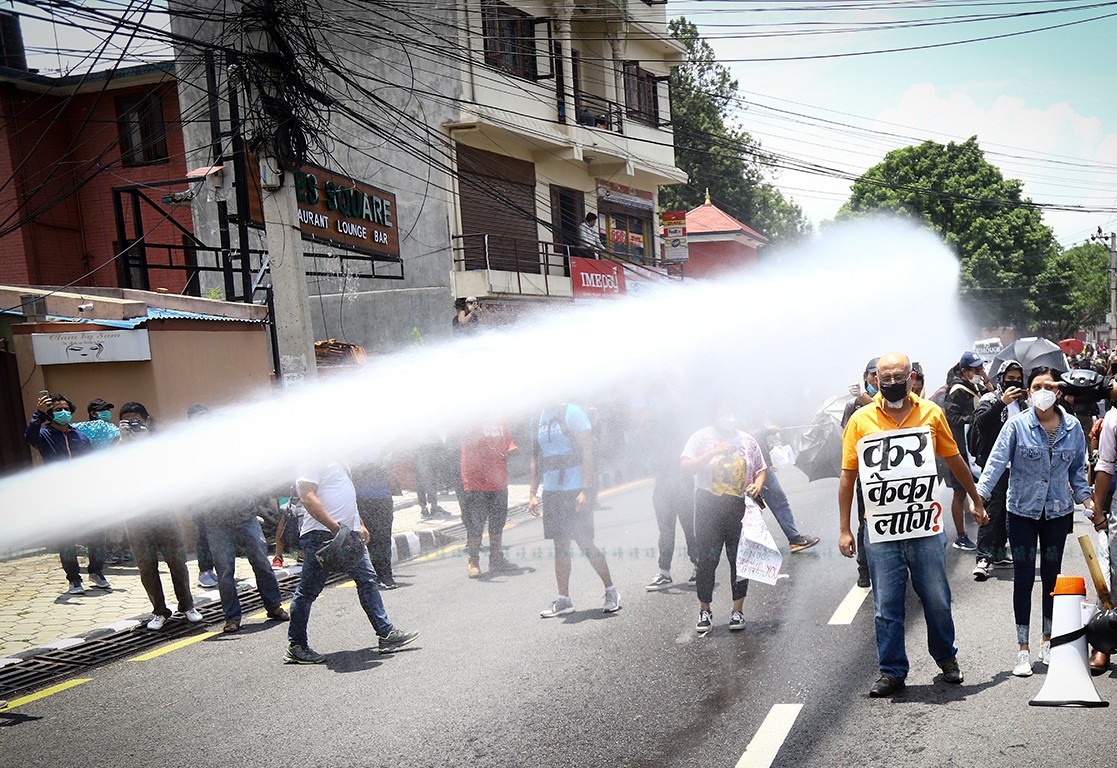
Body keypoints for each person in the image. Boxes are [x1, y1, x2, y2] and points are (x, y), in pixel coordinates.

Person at [839, 352, 987, 698]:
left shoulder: (931, 413)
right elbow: (848, 477)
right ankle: (891, 671)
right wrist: (845, 528)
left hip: (924, 527)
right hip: (880, 531)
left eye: (898, 377)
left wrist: (975, 499)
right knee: (886, 605)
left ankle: (946, 658)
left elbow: (954, 459)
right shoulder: (860, 420)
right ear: (875, 380)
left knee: (936, 598)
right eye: (884, 377)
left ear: (911, 378)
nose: (891, 383)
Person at [977, 367, 1092, 677]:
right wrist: (979, 499)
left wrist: (1089, 502)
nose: (1043, 390)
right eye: (1036, 386)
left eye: (1048, 385)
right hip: (1022, 513)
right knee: (1025, 578)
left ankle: (1047, 641)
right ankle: (1022, 649)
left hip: (1057, 513)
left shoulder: (1072, 428)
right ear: (1028, 392)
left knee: (1053, 578)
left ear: (1058, 391)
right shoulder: (1016, 426)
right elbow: (996, 464)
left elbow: (1078, 472)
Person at [286, 458, 419, 663]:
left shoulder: (339, 460)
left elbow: (347, 498)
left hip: (347, 535)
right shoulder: (313, 457)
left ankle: (386, 634)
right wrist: (335, 528)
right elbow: (307, 496)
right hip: (322, 536)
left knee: (367, 580)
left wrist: (360, 524)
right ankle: (296, 645)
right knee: (307, 591)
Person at [187, 404, 290, 633]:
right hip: (216, 522)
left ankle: (273, 606)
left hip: (245, 516)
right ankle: (232, 618)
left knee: (262, 563)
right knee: (225, 572)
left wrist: (253, 501)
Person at [681, 397, 766, 634]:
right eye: (724, 412)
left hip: (738, 507)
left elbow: (760, 469)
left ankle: (737, 610)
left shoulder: (747, 440)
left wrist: (757, 485)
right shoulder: (700, 438)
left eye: (732, 412)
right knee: (707, 560)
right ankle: (704, 609)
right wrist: (713, 452)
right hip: (708, 505)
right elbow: (686, 466)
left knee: (739, 560)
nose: (729, 417)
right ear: (713, 414)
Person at [529, 402, 620, 617]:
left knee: (585, 542)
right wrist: (533, 493)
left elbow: (588, 452)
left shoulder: (572, 412)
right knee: (560, 545)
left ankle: (611, 590)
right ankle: (564, 600)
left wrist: (586, 490)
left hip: (574, 488)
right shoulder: (538, 418)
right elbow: (535, 457)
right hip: (552, 491)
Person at [119, 402, 202, 630]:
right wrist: (123, 442)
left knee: (177, 561)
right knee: (146, 566)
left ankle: (187, 606)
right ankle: (159, 611)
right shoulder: (117, 448)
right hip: (135, 518)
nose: (133, 425)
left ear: (147, 420)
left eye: (137, 420)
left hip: (164, 514)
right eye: (128, 421)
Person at [25, 392, 111, 594]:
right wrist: (38, 412)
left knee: (98, 533)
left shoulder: (80, 436)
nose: (63, 412)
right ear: (49, 414)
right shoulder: (44, 436)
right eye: (57, 410)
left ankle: (96, 571)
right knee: (67, 539)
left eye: (65, 409)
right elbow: (29, 436)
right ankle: (74, 580)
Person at [969, 360, 1025, 581]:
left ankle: (1000, 551)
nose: (1014, 382)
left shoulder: (1023, 404)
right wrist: (1002, 402)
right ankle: (983, 556)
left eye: (1018, 379)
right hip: (994, 464)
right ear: (1001, 379)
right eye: (1010, 378)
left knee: (1007, 510)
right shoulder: (990, 399)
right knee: (992, 507)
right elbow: (981, 423)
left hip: (1017, 464)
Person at [644, 388, 698, 591]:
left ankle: (698, 566)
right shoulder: (652, 424)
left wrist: (666, 385)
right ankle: (664, 572)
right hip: (662, 483)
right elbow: (641, 438)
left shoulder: (681, 421)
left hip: (683, 481)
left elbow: (685, 408)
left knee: (690, 529)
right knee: (665, 531)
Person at [459, 422, 519, 578]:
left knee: (498, 523)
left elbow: (507, 441)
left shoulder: (501, 419)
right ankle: (473, 561)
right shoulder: (470, 417)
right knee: (475, 526)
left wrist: (511, 448)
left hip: (498, 480)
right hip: (476, 482)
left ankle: (496, 559)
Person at [750, 423, 820, 554]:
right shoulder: (739, 420)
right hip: (747, 470)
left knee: (779, 502)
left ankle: (794, 539)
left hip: (762, 467)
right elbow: (750, 436)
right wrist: (766, 431)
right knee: (750, 512)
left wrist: (771, 445)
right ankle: (750, 554)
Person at [943, 351, 988, 551]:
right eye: (976, 369)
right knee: (959, 492)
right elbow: (952, 418)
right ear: (964, 371)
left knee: (979, 488)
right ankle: (961, 536)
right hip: (960, 448)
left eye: (981, 368)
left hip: (974, 447)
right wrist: (973, 420)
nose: (980, 372)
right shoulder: (956, 390)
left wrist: (986, 380)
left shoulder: (975, 386)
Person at [842, 357, 879, 589]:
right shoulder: (853, 405)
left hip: (891, 473)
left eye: (880, 374)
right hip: (866, 474)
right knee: (866, 522)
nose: (876, 378)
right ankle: (864, 569)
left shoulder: (892, 399)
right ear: (865, 376)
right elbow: (846, 437)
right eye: (872, 374)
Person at [353, 457, 399, 589]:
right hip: (364, 499)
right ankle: (378, 576)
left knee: (384, 537)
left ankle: (386, 575)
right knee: (372, 539)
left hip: (383, 497)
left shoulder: (382, 450)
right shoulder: (351, 450)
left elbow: (389, 468)